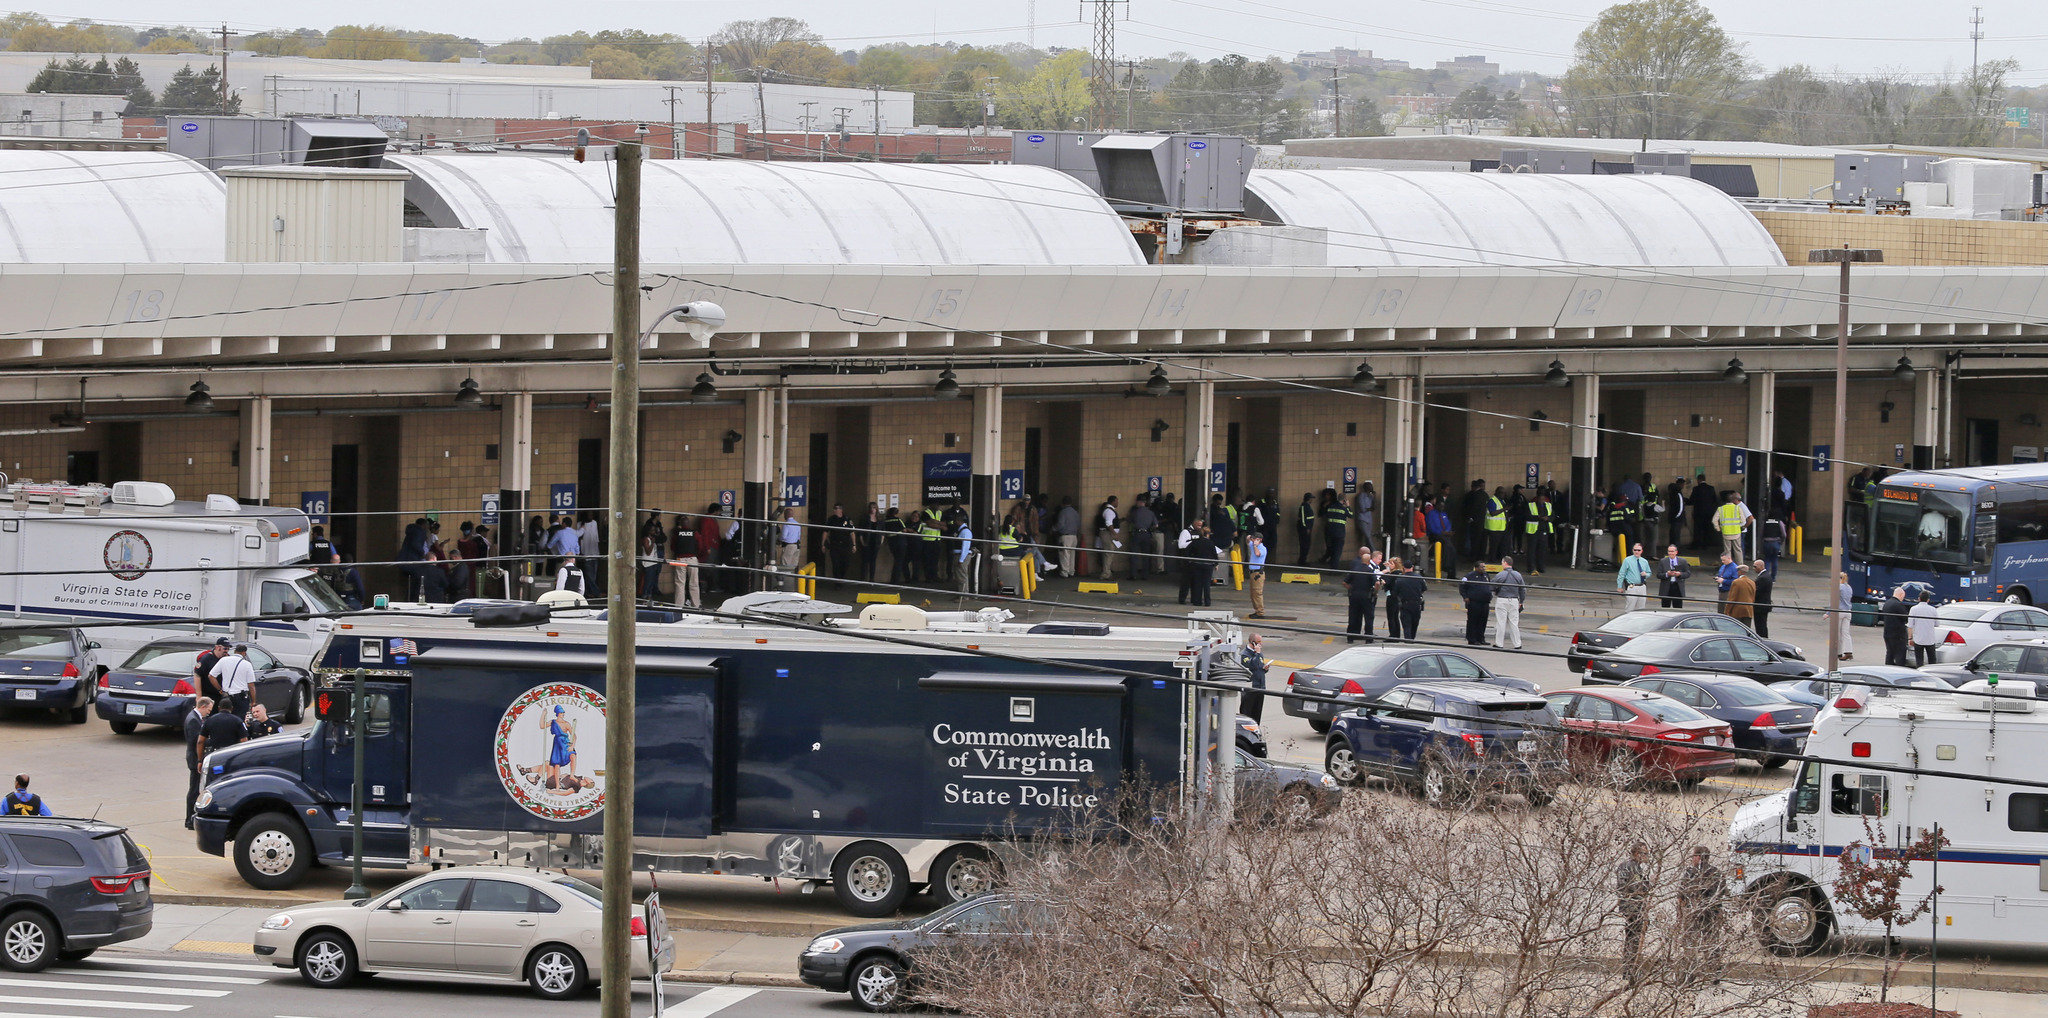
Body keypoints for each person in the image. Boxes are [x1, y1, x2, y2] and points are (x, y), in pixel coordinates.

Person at [1680, 846, 1727, 976]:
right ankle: (1714, 973)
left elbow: (1681, 895)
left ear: (1699, 857)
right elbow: (1723, 892)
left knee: (1690, 943)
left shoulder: (1690, 873)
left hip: (1694, 914)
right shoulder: (1717, 873)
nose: (1692, 859)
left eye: (1693, 856)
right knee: (1711, 943)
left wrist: (1683, 913)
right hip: (1712, 914)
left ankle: (1690, 973)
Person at [1616, 842, 1652, 976]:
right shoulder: (1627, 866)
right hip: (1631, 907)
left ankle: (1632, 967)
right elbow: (1622, 886)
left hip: (1639, 907)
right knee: (1632, 938)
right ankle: (1629, 969)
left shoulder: (1638, 868)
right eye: (1644, 853)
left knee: (1635, 938)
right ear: (1637, 853)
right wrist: (1639, 891)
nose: (1646, 856)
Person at [183, 697, 214, 828]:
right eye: (208, 709)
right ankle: (189, 819)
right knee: (194, 789)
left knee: (196, 788)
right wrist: (213, 740)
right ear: (202, 706)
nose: (209, 712)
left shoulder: (197, 718)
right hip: (195, 759)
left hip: (196, 758)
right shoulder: (193, 721)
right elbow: (195, 741)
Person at [198, 695, 246, 778]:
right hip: (232, 756)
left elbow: (200, 741)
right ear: (232, 708)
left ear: (219, 708)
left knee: (215, 779)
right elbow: (244, 741)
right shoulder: (238, 721)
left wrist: (200, 760)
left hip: (215, 755)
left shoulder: (209, 721)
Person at [1343, 547, 1380, 643]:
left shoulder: (1355, 569)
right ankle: (1368, 638)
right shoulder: (1369, 571)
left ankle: (1350, 637)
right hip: (1366, 596)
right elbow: (1377, 583)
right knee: (1369, 617)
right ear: (1369, 561)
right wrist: (1375, 592)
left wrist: (1351, 588)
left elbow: (1344, 582)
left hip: (1354, 596)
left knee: (1353, 616)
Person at [209, 643, 257, 717]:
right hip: (241, 698)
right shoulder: (247, 664)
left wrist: (220, 690)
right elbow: (251, 685)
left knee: (225, 719)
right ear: (244, 653)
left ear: (235, 651)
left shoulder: (223, 660)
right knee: (239, 720)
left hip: (226, 696)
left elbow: (211, 676)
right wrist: (253, 701)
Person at [1492, 556, 1527, 650]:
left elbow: (1492, 586)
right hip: (1514, 600)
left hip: (1502, 599)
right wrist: (1522, 601)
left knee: (1501, 622)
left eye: (1502, 563)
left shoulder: (1500, 575)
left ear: (1505, 563)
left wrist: (1495, 592)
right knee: (1514, 623)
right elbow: (1523, 590)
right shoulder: (1518, 575)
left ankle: (1499, 643)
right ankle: (1517, 644)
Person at [1390, 559, 1426, 640]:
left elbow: (1395, 593)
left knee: (1406, 625)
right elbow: (1424, 589)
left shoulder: (1400, 579)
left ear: (1403, 568)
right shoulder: (1419, 578)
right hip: (1417, 604)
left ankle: (1408, 640)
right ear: (1412, 567)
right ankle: (1412, 639)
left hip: (1405, 604)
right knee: (1415, 624)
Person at [1460, 562, 1493, 645]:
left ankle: (1481, 638)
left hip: (1485, 602)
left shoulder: (1486, 576)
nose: (1484, 569)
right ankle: (1472, 639)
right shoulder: (1469, 576)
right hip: (1474, 602)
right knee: (1473, 621)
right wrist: (1465, 597)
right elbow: (1462, 586)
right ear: (1476, 568)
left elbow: (1489, 586)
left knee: (1483, 621)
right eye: (1482, 567)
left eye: (1484, 567)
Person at [670, 522, 702, 609]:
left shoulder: (677, 533)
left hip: (680, 559)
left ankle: (678, 606)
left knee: (680, 583)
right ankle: (696, 605)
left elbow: (672, 547)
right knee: (694, 583)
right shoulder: (694, 533)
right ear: (689, 524)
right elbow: (700, 545)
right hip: (692, 559)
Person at [1185, 524, 1217, 607]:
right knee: (1206, 584)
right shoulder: (1210, 543)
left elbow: (1187, 552)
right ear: (1207, 534)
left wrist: (1191, 560)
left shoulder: (1195, 542)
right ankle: (1207, 602)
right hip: (1208, 565)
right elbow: (1214, 555)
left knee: (1197, 583)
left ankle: (1197, 601)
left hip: (1197, 564)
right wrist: (1216, 563)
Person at [1881, 586, 1912, 667]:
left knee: (1890, 653)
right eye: (1903, 597)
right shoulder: (1898, 605)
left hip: (1887, 633)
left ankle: (1888, 668)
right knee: (1900, 655)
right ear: (1901, 595)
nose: (1903, 598)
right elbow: (1906, 618)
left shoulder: (1886, 604)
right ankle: (1899, 670)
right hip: (1898, 635)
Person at [1129, 496, 1158, 581]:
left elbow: (1130, 521)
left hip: (1137, 534)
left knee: (1134, 554)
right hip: (1147, 534)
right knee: (1146, 555)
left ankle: (1133, 575)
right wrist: (1149, 529)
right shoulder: (1151, 513)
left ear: (1139, 502)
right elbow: (1156, 525)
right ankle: (1145, 575)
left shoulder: (1135, 512)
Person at [1241, 633, 1268, 723]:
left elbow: (1259, 667)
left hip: (1260, 687)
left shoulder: (1259, 654)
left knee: (1257, 713)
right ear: (1253, 643)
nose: (1261, 644)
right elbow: (1252, 666)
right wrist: (1257, 654)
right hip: (1251, 688)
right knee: (1248, 713)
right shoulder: (1245, 655)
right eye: (1258, 642)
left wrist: (1265, 668)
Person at [823, 504, 855, 580]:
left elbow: (852, 533)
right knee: (835, 564)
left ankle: (841, 578)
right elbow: (825, 532)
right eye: (834, 508)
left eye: (836, 509)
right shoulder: (831, 519)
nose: (834, 510)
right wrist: (823, 544)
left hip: (845, 545)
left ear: (840, 510)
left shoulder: (847, 519)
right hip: (834, 545)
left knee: (845, 564)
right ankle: (837, 582)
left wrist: (854, 545)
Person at [1909, 590, 1941, 666]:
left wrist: (1910, 638)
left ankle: (1920, 672)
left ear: (1919, 599)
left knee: (1919, 660)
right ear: (1928, 600)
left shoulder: (1913, 609)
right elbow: (1937, 624)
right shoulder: (1933, 609)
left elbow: (1910, 625)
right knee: (1932, 660)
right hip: (1930, 639)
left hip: (1918, 639)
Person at [1094, 495, 1122, 580]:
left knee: (1109, 553)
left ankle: (1107, 572)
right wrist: (1114, 534)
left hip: (1108, 533)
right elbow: (1109, 524)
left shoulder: (1109, 511)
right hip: (1108, 534)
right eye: (1117, 501)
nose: (1118, 503)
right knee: (1108, 553)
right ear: (1113, 502)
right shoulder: (1109, 511)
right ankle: (1106, 573)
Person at [194, 636, 230, 702]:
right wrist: (199, 696)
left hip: (222, 695)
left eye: (228, 649)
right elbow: (197, 675)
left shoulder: (227, 658)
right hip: (208, 695)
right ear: (217, 647)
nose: (226, 651)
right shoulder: (206, 658)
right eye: (225, 649)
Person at [1617, 543, 1650, 612]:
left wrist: (1645, 574)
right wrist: (1619, 586)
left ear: (1641, 551)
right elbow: (1621, 574)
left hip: (1642, 586)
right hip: (1632, 586)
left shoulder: (1645, 561)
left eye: (1638, 550)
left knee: (1641, 608)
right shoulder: (1627, 560)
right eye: (1635, 550)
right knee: (1630, 607)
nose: (1636, 552)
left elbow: (1649, 573)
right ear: (1632, 550)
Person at [1053, 497, 1081, 577]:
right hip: (1074, 536)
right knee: (1072, 554)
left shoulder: (1063, 512)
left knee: (1064, 554)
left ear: (1063, 503)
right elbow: (1078, 524)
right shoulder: (1075, 512)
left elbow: (1060, 524)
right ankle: (1071, 571)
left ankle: (1064, 572)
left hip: (1065, 536)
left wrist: (1054, 528)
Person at [1322, 493, 1353, 566]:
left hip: (1329, 532)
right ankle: (1334, 569)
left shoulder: (1330, 507)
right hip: (1339, 533)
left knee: (1331, 550)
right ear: (1344, 500)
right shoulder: (1343, 509)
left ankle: (1330, 566)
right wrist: (1348, 506)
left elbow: (1326, 514)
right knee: (1337, 551)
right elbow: (1351, 515)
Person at [856, 504, 884, 582]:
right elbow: (860, 531)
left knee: (873, 561)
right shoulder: (865, 518)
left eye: (874, 508)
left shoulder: (879, 519)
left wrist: (881, 541)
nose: (872, 509)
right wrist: (862, 541)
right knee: (865, 560)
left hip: (876, 541)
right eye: (871, 508)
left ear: (876, 509)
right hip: (867, 541)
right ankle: (863, 578)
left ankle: (872, 578)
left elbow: (883, 531)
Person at [1244, 532, 1268, 619]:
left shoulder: (1262, 548)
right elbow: (1247, 541)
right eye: (1253, 539)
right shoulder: (1253, 545)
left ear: (1260, 540)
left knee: (1257, 593)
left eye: (1256, 539)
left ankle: (1260, 612)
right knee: (1253, 593)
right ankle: (1256, 610)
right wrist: (1249, 537)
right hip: (1252, 572)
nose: (1253, 541)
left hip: (1258, 573)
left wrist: (1255, 546)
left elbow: (1258, 554)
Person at [1758, 513, 1786, 581]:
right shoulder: (1779, 522)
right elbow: (1784, 534)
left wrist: (1761, 542)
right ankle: (1773, 578)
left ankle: (1766, 577)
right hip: (1776, 543)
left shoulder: (1765, 522)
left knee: (1767, 560)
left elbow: (1761, 533)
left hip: (1766, 543)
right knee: (1775, 559)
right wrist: (1781, 541)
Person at [1751, 559, 1775, 639]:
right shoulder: (1765, 575)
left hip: (1760, 606)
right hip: (1763, 606)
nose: (1754, 568)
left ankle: (1763, 639)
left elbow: (1756, 591)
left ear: (1761, 566)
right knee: (1761, 625)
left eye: (1755, 566)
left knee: (1760, 625)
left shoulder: (1763, 578)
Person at [1728, 565, 1756, 630]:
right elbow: (1753, 597)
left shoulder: (1736, 582)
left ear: (1740, 572)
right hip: (1749, 610)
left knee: (1736, 630)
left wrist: (1727, 611)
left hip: (1737, 611)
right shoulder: (1752, 582)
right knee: (1746, 630)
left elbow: (1732, 598)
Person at [1836, 573, 1856, 661]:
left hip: (1840, 611)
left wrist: (1828, 612)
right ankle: (1848, 652)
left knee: (1838, 633)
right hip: (1848, 611)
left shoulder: (1839, 587)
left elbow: (1834, 600)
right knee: (1846, 633)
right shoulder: (1849, 587)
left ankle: (1838, 652)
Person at [1294, 493, 1316, 567]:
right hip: (1304, 529)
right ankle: (1302, 561)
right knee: (1304, 545)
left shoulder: (1307, 506)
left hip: (1307, 528)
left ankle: (1303, 560)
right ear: (1308, 499)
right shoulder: (1304, 506)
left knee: (1307, 544)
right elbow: (1303, 518)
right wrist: (1306, 528)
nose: (1312, 500)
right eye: (1311, 498)